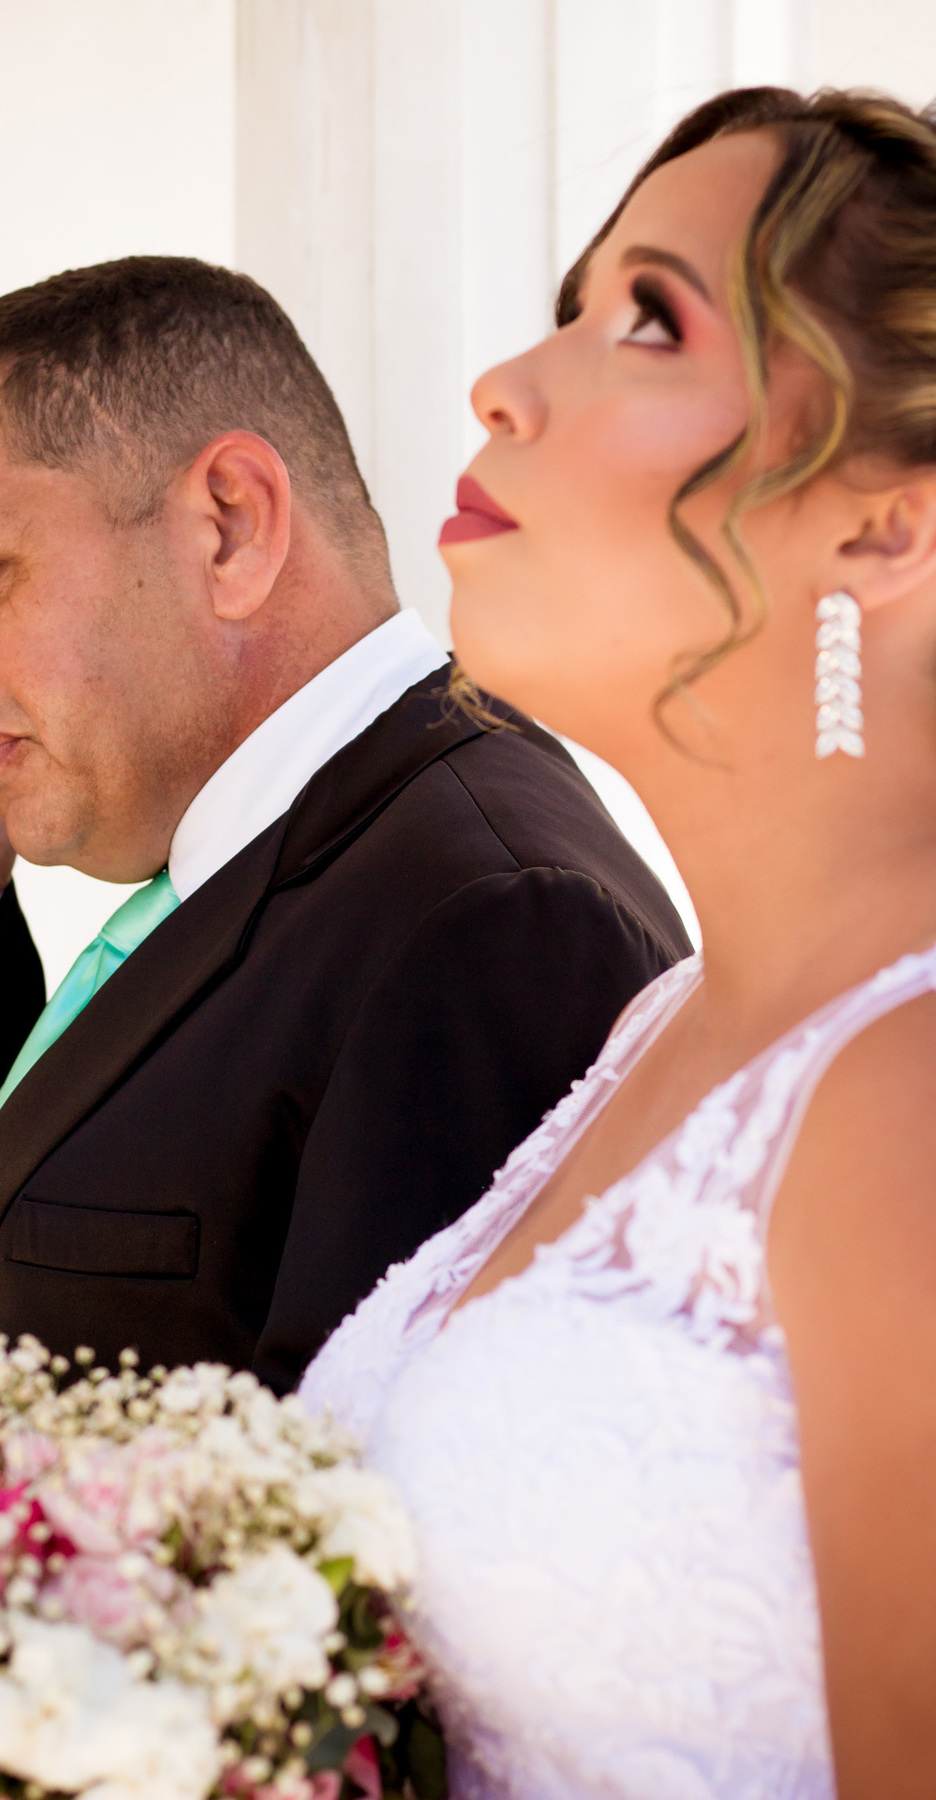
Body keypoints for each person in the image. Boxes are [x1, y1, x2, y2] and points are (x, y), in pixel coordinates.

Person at [302, 85, 936, 1799]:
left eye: (646, 318)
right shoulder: (660, 1024)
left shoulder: (912, 1100)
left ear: (888, 519)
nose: (505, 381)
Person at [0, 257, 688, 1393]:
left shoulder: (492, 923)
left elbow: (365, 1538)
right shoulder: (299, 857)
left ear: (231, 527)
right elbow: (96, 1284)